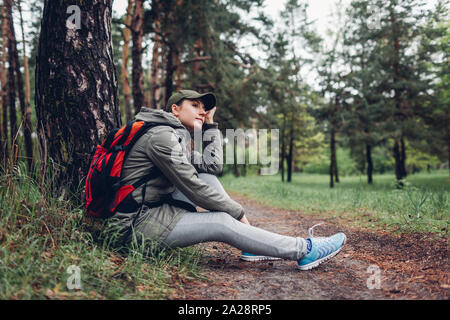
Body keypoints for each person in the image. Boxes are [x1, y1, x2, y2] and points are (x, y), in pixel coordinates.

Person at [106, 89, 346, 270]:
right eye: (195, 105)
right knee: (221, 221)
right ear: (175, 110)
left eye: (204, 107)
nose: (202, 110)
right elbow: (193, 189)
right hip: (135, 226)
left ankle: (250, 246)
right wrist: (237, 212)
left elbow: (212, 166)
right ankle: (304, 250)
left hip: (154, 211)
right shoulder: (161, 137)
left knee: (207, 177)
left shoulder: (172, 136)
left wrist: (208, 125)